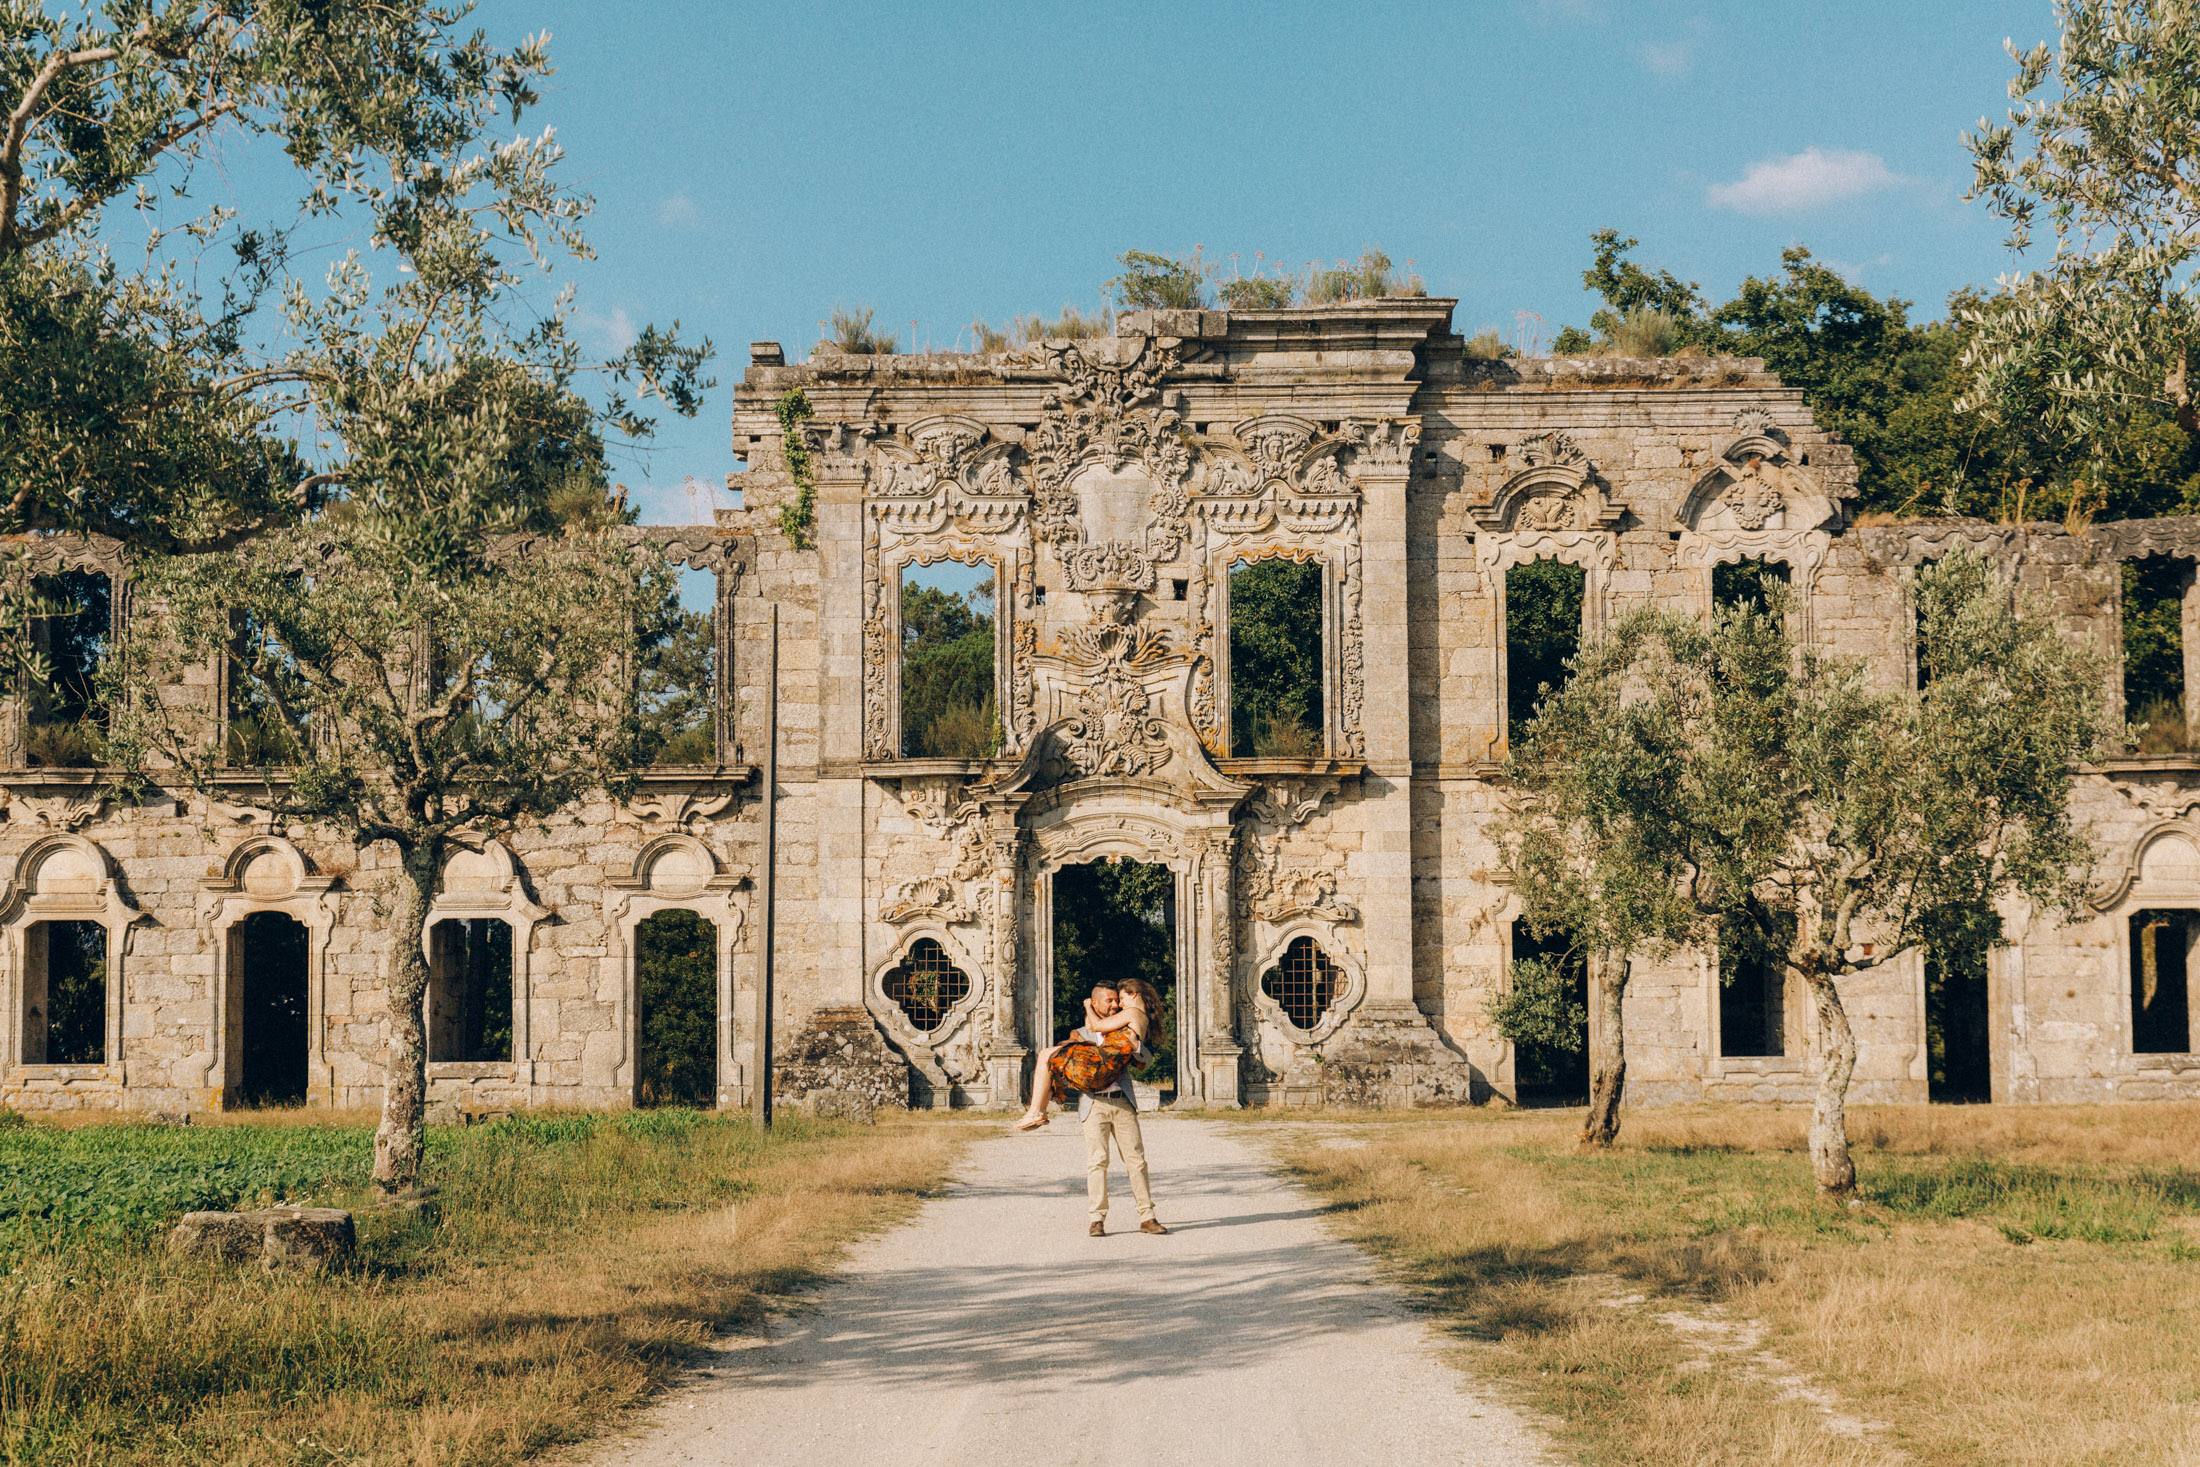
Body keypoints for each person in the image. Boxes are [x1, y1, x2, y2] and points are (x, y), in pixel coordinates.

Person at [1015, 979, 1168, 1237]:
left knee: (1137, 1161)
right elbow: (1071, 1066)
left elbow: (1148, 1059)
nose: (1114, 1005)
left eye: (1116, 1000)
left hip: (1122, 1101)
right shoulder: (1080, 1034)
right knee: (1097, 1162)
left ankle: (1147, 1217)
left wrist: (1137, 1047)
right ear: (1094, 1003)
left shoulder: (1124, 1025)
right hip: (1092, 1104)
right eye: (1109, 1001)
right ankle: (1097, 1219)